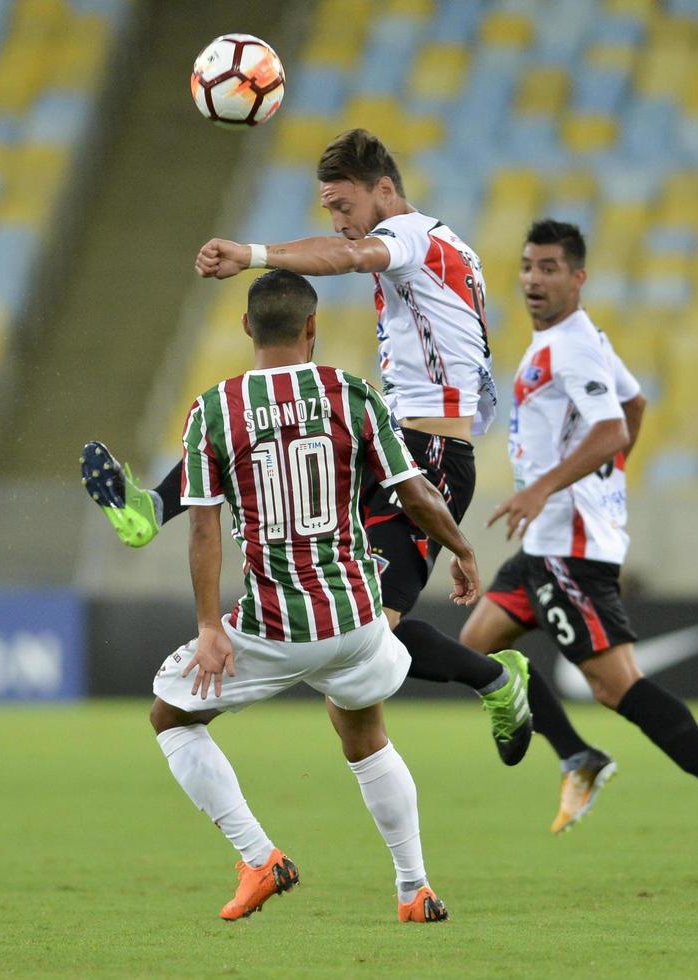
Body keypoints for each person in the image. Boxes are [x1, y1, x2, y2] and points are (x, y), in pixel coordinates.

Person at [85, 129, 532, 764]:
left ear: (384, 191)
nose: (338, 222)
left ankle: (496, 679)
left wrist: (255, 253)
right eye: (329, 208)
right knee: (274, 423)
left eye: (343, 206)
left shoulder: (414, 238)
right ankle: (152, 507)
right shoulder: (438, 247)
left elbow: (348, 259)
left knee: (367, 627)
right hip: (404, 435)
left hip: (432, 455)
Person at [149, 269, 485, 924]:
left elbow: (202, 527)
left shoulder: (213, 409)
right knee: (363, 731)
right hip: (359, 614)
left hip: (274, 623)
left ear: (248, 328)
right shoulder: (350, 393)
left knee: (170, 717)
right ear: (312, 327)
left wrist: (210, 625)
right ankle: (414, 889)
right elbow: (415, 491)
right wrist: (464, 550)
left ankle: (258, 857)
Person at [457, 221, 698, 878]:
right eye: (526, 267)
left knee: (616, 687)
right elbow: (633, 403)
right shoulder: (576, 340)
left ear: (578, 278)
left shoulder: (572, 347)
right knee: (476, 646)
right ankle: (577, 756)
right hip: (546, 544)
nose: (533, 280)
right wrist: (604, 477)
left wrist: (551, 488)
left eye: (549, 268)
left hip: (569, 549)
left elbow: (608, 429)